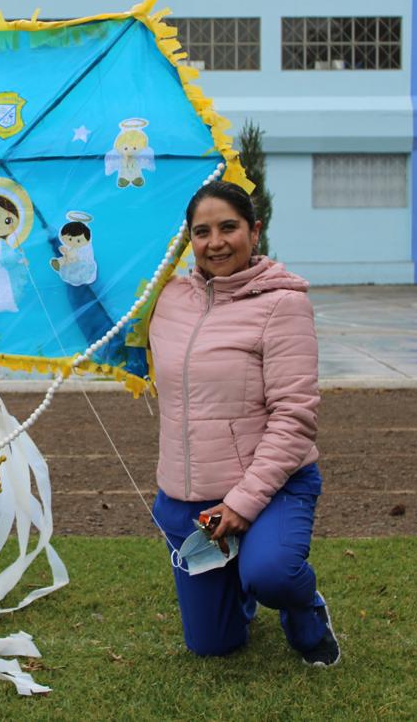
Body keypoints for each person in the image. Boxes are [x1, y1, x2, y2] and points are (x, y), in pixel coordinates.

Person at [147, 179, 340, 667]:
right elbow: (105, 330)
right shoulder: (166, 298)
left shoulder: (283, 304)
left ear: (255, 231)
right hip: (190, 504)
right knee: (213, 645)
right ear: (187, 240)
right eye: (202, 231)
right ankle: (238, 580)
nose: (215, 242)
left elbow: (294, 418)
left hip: (272, 488)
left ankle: (305, 613)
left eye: (228, 227)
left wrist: (243, 503)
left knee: (272, 573)